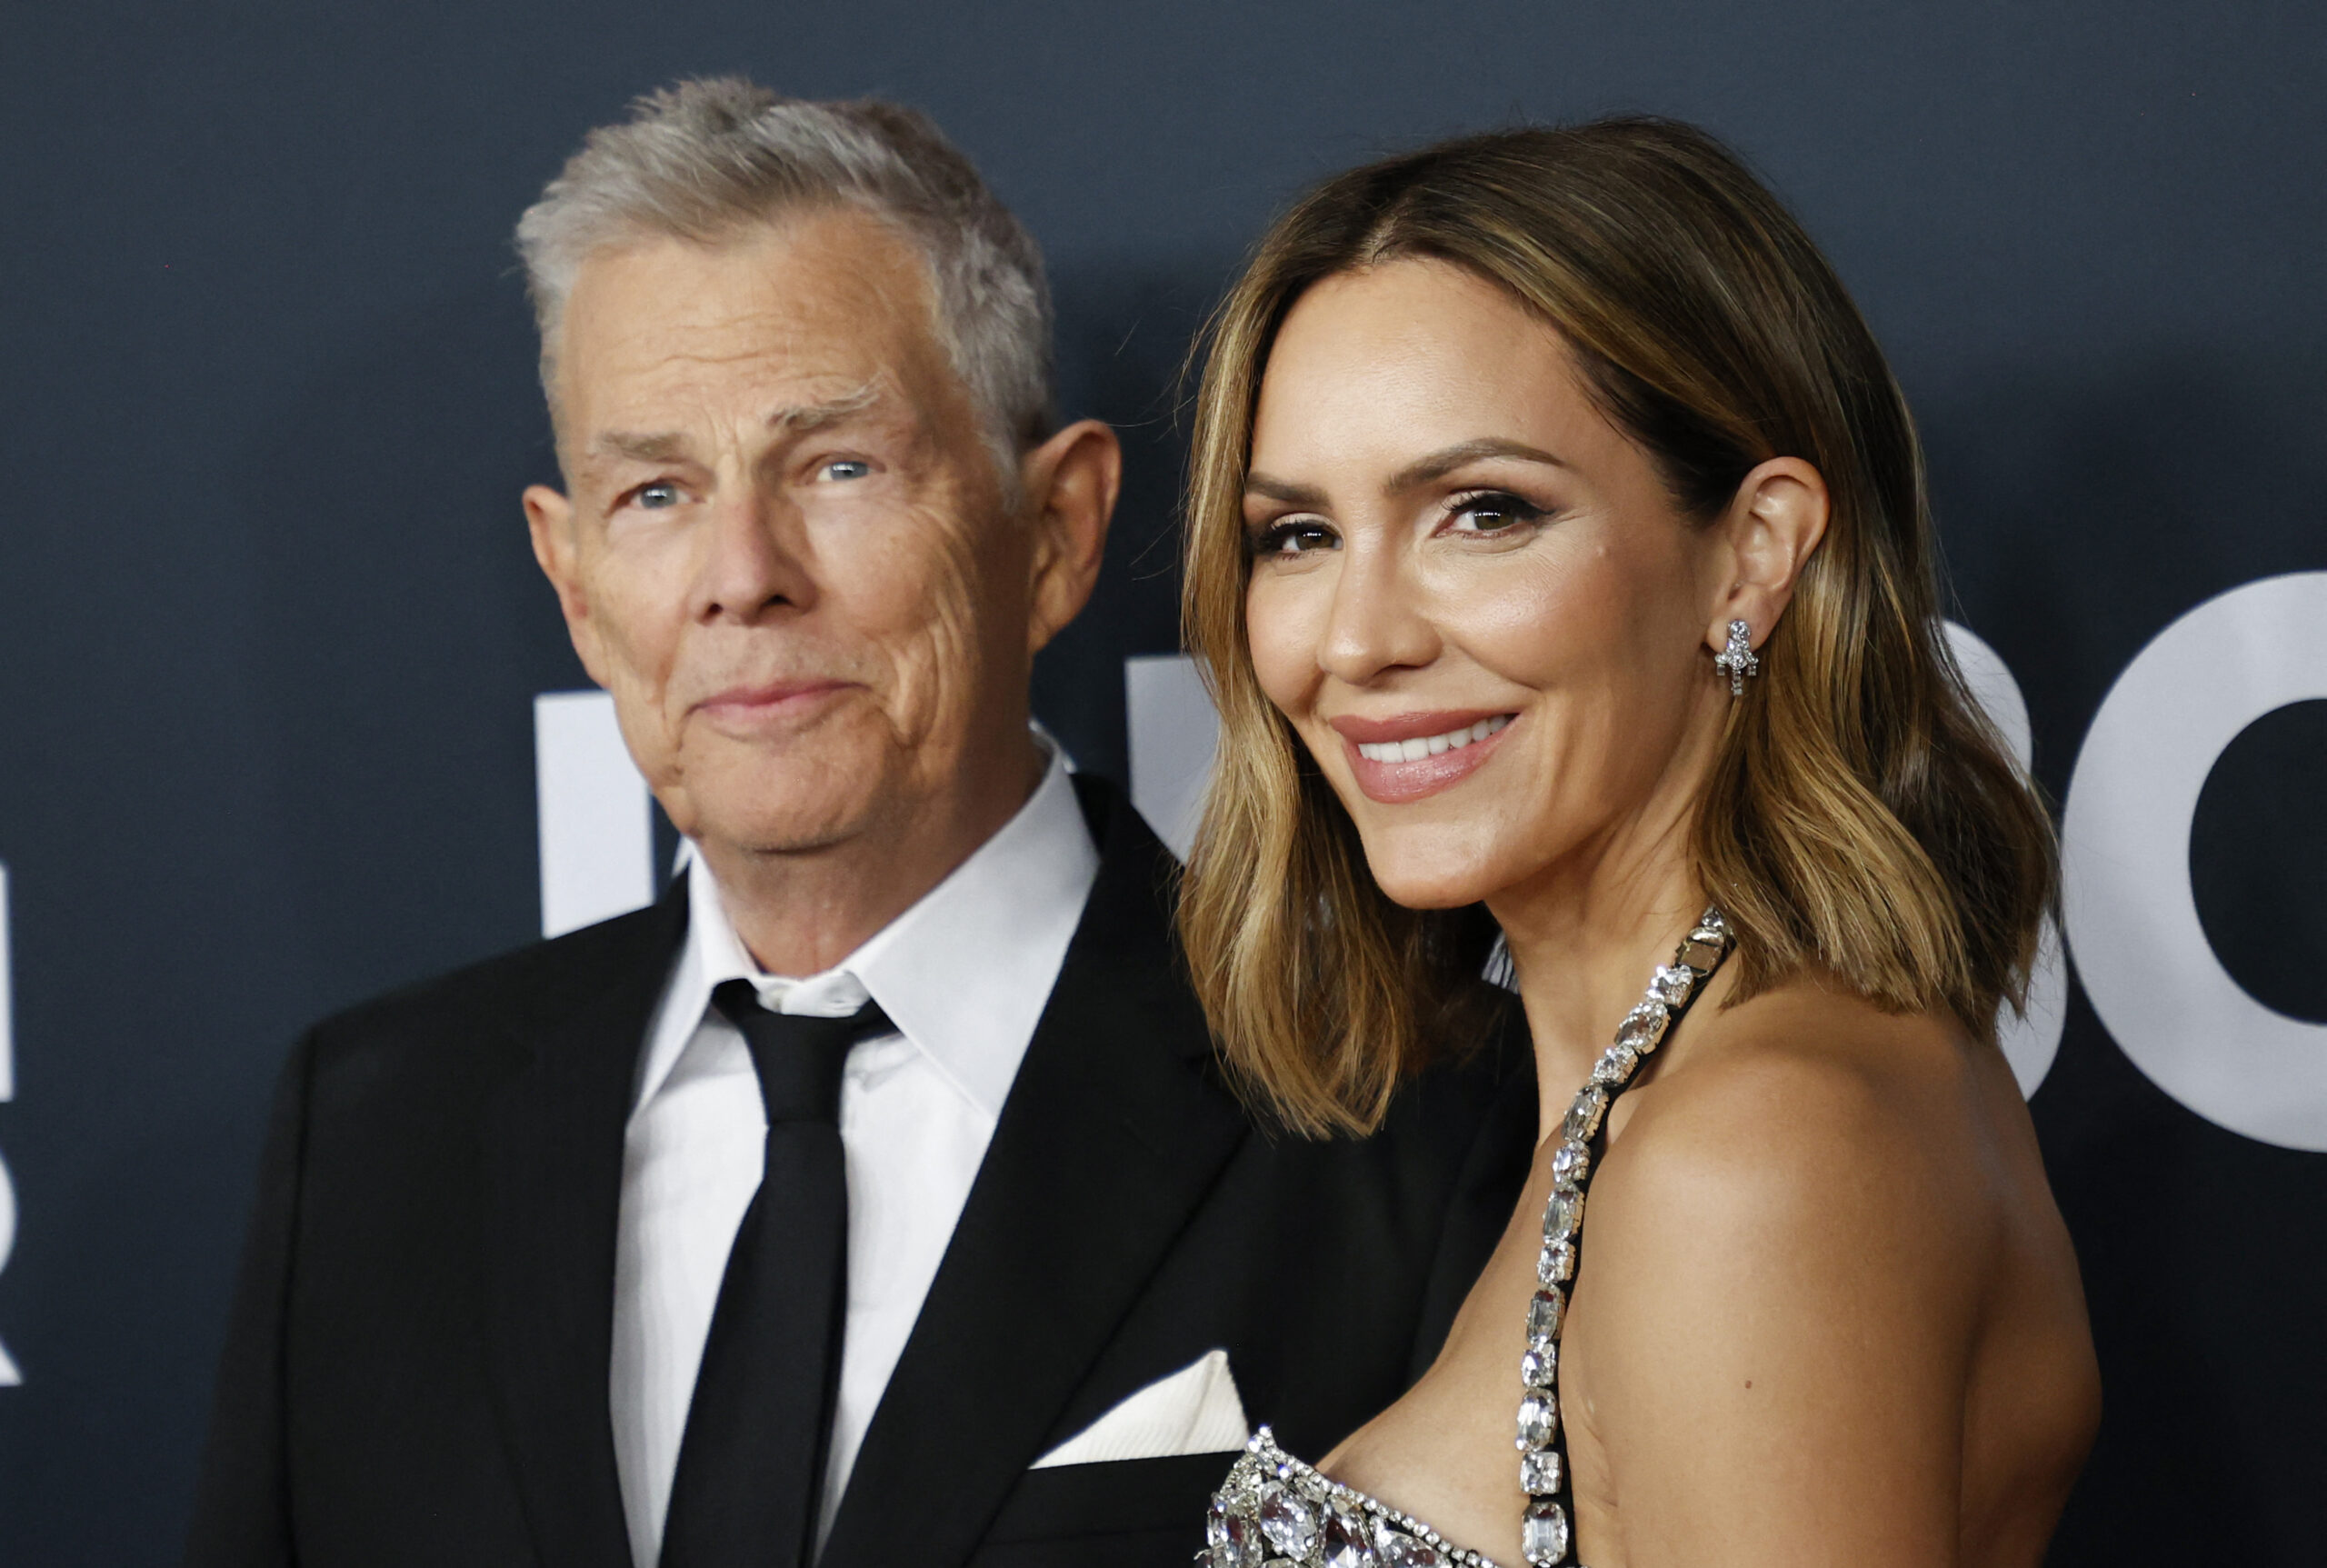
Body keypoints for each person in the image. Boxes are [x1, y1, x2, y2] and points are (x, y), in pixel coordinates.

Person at [184, 80, 1537, 1568]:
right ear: (575, 588)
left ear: (1057, 532)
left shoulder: (1414, 1103)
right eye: (655, 492)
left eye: (838, 466)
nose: (743, 574)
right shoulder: (372, 1134)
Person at [1181, 120, 2101, 1567]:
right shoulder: (1682, 1090)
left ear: (1752, 550)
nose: (1355, 639)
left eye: (1483, 513)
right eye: (1297, 533)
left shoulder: (1750, 1154)